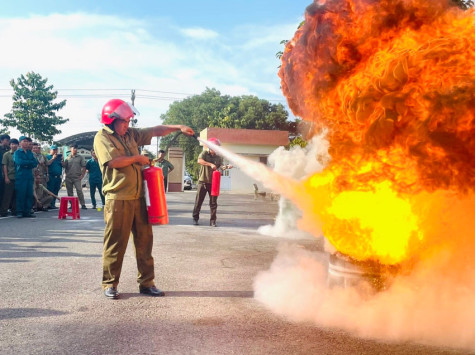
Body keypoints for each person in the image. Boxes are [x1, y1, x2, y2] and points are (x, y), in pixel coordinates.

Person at [93, 98, 194, 299]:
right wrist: (138, 158)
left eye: (129, 122)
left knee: (144, 242)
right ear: (111, 120)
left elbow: (156, 130)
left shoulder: (131, 135)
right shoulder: (102, 138)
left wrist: (178, 127)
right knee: (115, 243)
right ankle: (110, 284)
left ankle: (147, 283)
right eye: (124, 122)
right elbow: (113, 162)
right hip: (118, 198)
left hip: (139, 197)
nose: (127, 125)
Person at [192, 138, 232, 227]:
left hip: (213, 183)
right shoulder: (204, 154)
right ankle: (195, 218)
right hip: (202, 181)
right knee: (198, 201)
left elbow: (220, 167)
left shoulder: (219, 157)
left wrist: (226, 167)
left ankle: (213, 221)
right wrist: (210, 164)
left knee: (213, 203)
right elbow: (199, 161)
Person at [13, 136, 37, 218]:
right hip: (21, 176)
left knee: (29, 194)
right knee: (21, 194)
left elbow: (35, 163)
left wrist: (27, 163)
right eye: (24, 141)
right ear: (20, 143)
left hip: (29, 176)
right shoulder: (17, 153)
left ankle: (27, 211)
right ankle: (19, 211)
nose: (26, 143)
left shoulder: (30, 153)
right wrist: (28, 163)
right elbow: (19, 162)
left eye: (27, 141)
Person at [63, 144, 87, 209]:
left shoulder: (80, 157)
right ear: (70, 149)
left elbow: (84, 167)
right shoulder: (67, 158)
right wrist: (62, 161)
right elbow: (64, 166)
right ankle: (72, 205)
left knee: (79, 191)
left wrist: (82, 175)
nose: (75, 150)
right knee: (70, 192)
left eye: (76, 148)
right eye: (74, 148)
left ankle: (83, 204)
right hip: (69, 177)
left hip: (77, 177)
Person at [0, 138, 19, 217]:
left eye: (15, 144)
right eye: (12, 144)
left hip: (18, 177)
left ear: (18, 145)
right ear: (10, 145)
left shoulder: (19, 154)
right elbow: (5, 166)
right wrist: (6, 177)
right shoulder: (6, 154)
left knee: (16, 195)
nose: (13, 145)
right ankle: (3, 211)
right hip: (10, 177)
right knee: (7, 195)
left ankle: (14, 210)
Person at [0, 134, 11, 208]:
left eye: (8, 140)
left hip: (5, 172)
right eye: (6, 140)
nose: (8, 142)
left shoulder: (8, 150)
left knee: (4, 191)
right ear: (1, 140)